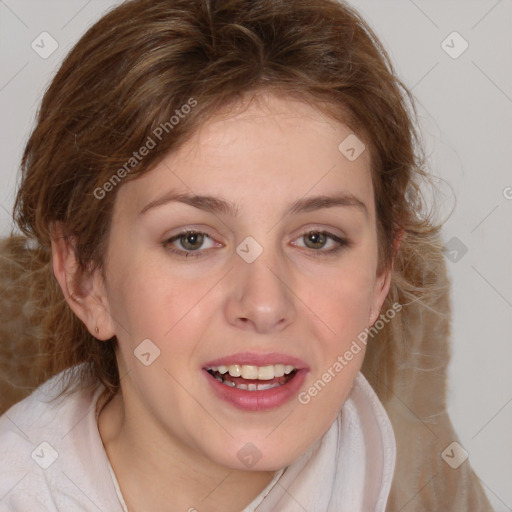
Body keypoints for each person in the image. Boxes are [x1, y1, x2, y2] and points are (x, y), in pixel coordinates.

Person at [0, 0, 494, 510]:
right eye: (191, 240)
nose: (263, 305)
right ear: (84, 276)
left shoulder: (405, 464)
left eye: (318, 239)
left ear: (382, 273)